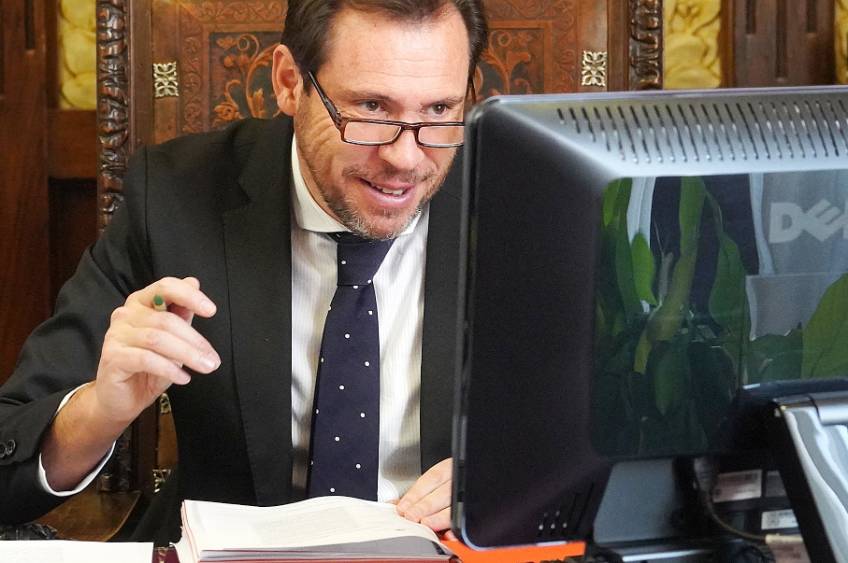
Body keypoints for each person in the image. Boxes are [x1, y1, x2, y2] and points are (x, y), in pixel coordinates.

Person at [0, 0, 488, 543]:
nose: (406, 158)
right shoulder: (176, 196)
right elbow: (8, 465)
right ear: (289, 83)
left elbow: (571, 438)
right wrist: (99, 410)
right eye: (371, 108)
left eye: (440, 110)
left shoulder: (523, 199)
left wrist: (514, 479)